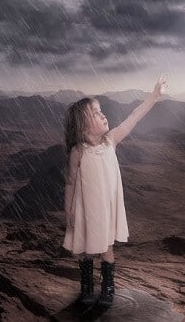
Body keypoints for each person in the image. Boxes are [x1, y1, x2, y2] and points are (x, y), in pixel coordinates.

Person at [62, 74, 168, 308]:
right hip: (86, 209)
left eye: (101, 111)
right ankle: (87, 287)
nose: (103, 115)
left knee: (107, 248)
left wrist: (154, 95)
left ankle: (108, 288)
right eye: (96, 113)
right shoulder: (77, 152)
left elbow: (134, 117)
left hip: (106, 208)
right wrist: (68, 211)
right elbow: (70, 182)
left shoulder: (111, 140)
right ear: (83, 125)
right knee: (87, 250)